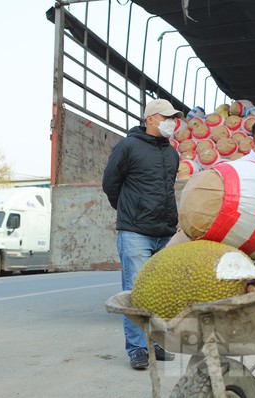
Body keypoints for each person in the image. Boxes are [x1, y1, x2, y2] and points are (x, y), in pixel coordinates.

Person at [102, 99, 181, 370]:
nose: (172, 122)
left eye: (174, 117)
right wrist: (128, 210)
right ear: (150, 119)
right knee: (136, 292)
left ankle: (155, 343)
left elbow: (168, 189)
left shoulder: (172, 153)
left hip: (165, 232)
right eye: (166, 117)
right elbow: (110, 183)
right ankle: (137, 348)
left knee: (160, 294)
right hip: (136, 231)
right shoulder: (128, 147)